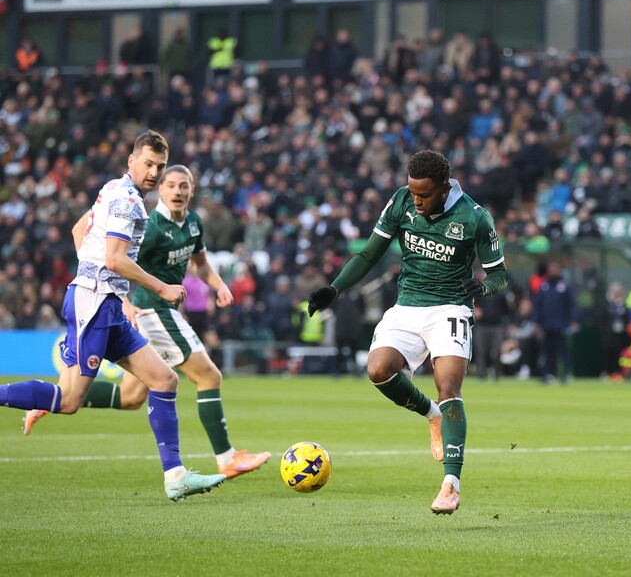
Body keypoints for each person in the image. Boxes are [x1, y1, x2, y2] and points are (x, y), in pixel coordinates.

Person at [0, 131, 226, 500]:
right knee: (70, 400)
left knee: (164, 381)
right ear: (131, 161)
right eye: (148, 164)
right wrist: (161, 288)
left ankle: (176, 477)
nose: (153, 172)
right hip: (96, 304)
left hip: (102, 301)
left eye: (160, 166)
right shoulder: (128, 203)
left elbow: (80, 232)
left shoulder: (114, 189)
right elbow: (116, 259)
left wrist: (94, 277)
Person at [23, 165, 272, 479]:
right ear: (161, 191)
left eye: (184, 186)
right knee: (209, 376)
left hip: (157, 311)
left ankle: (51, 400)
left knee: (130, 398)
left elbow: (201, 265)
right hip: (152, 310)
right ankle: (226, 458)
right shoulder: (149, 224)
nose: (178, 191)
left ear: (192, 190)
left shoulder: (193, 224)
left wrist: (220, 285)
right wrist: (122, 299)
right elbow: (89, 240)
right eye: (171, 185)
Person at [305, 150, 509, 515]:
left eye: (424, 194)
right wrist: (333, 289)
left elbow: (499, 273)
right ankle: (432, 416)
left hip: (451, 307)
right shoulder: (401, 201)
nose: (416, 200)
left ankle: (451, 484)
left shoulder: (475, 217)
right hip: (408, 305)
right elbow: (369, 254)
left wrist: (484, 287)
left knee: (449, 386)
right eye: (413, 192)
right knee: (378, 370)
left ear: (445, 187)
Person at [533, 260, 578, 384]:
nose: (553, 271)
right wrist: (536, 322)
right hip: (546, 324)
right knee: (547, 351)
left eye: (555, 268)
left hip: (561, 324)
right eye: (551, 268)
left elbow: (571, 305)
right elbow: (538, 306)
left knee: (562, 351)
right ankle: (548, 374)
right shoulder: (544, 286)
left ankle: (565, 375)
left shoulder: (565, 286)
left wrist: (573, 321)